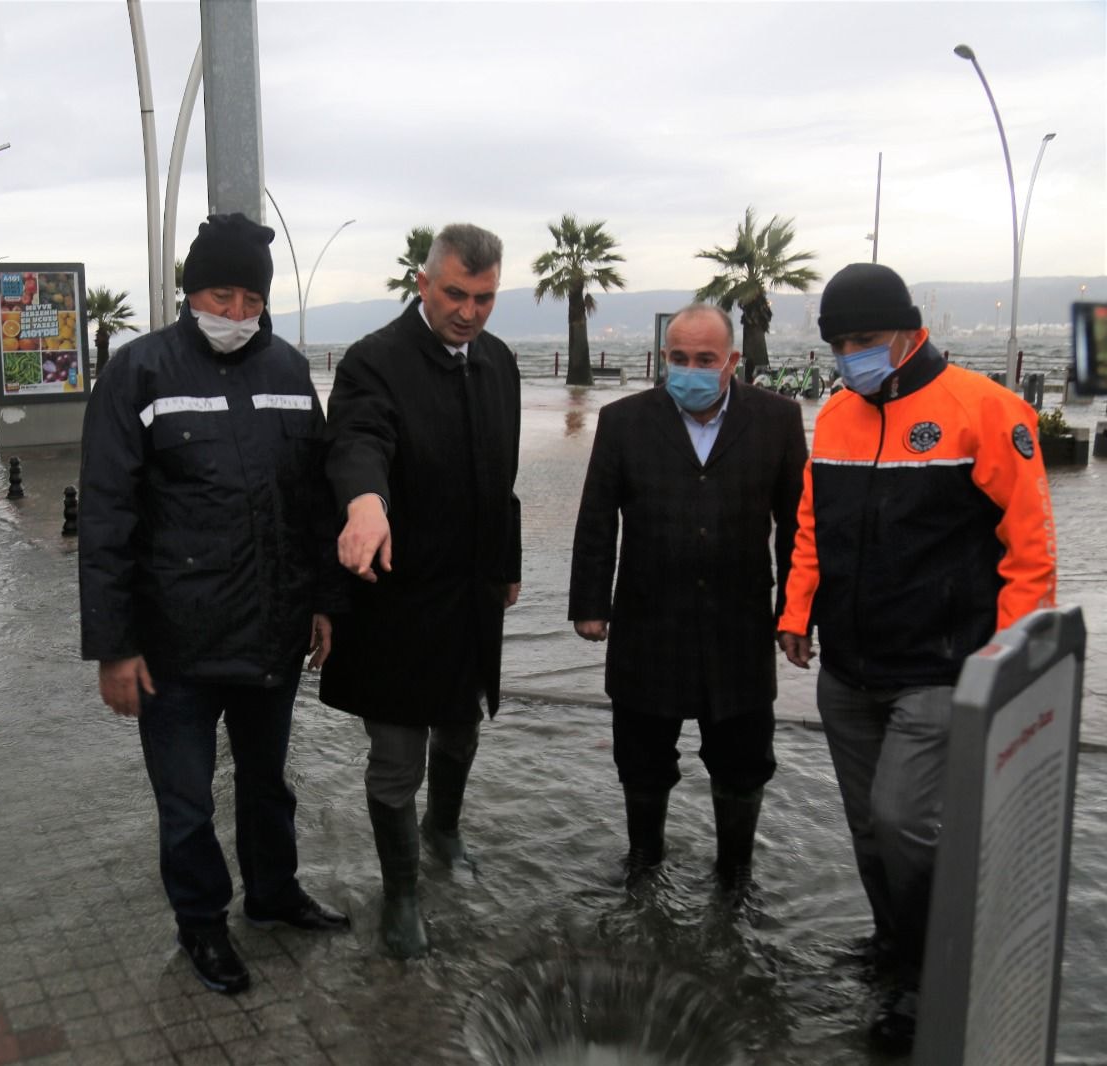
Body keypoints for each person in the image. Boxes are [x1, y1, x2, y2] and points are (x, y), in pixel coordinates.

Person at [776, 263, 1057, 1054]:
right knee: (870, 829)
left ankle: (935, 969)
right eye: (838, 344)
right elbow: (811, 525)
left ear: (909, 331)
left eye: (864, 340)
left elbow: (1029, 550)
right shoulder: (834, 417)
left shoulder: (986, 410)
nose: (850, 355)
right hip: (848, 669)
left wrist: (1008, 661)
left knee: (904, 823)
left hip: (942, 670)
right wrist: (796, 611)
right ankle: (894, 949)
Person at [78, 213, 349, 997]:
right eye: (219, 295)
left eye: (249, 301)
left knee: (270, 785)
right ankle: (202, 924)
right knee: (187, 803)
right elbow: (106, 518)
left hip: (273, 631)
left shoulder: (293, 373)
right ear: (188, 292)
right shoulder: (138, 373)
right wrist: (114, 647)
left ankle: (273, 896)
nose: (234, 314)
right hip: (174, 647)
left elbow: (317, 504)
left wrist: (325, 604)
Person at [320, 223, 521, 958]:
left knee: (463, 726)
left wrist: (508, 561)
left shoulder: (500, 363)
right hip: (397, 596)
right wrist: (365, 503)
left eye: (486, 298)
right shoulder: (375, 360)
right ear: (424, 284)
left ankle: (444, 829)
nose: (470, 312)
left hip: (472, 592)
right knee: (397, 758)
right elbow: (357, 440)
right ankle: (400, 894)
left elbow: (504, 482)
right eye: (457, 295)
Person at [569, 304, 807, 893]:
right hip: (648, 622)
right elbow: (598, 517)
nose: (691, 370)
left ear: (732, 361)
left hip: (741, 625)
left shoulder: (777, 419)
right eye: (679, 358)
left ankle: (735, 875)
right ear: (663, 359)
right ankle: (643, 864)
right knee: (642, 760)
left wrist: (797, 614)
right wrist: (590, 604)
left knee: (743, 762)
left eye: (705, 360)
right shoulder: (624, 420)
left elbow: (799, 523)